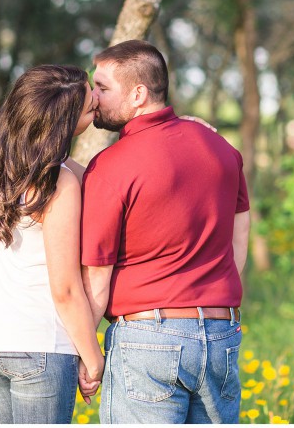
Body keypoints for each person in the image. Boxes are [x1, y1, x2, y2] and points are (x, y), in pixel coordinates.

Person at [79, 40, 251, 423]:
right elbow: (240, 232)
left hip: (148, 339)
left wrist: (85, 353)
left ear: (138, 94)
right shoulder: (222, 149)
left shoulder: (110, 166)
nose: (94, 98)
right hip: (221, 333)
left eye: (103, 88)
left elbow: (98, 277)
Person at [0, 64, 104, 424]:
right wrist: (93, 359)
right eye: (91, 107)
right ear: (64, 123)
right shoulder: (58, 183)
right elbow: (66, 290)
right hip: (38, 346)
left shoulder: (2, 166)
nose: (98, 106)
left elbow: (88, 175)